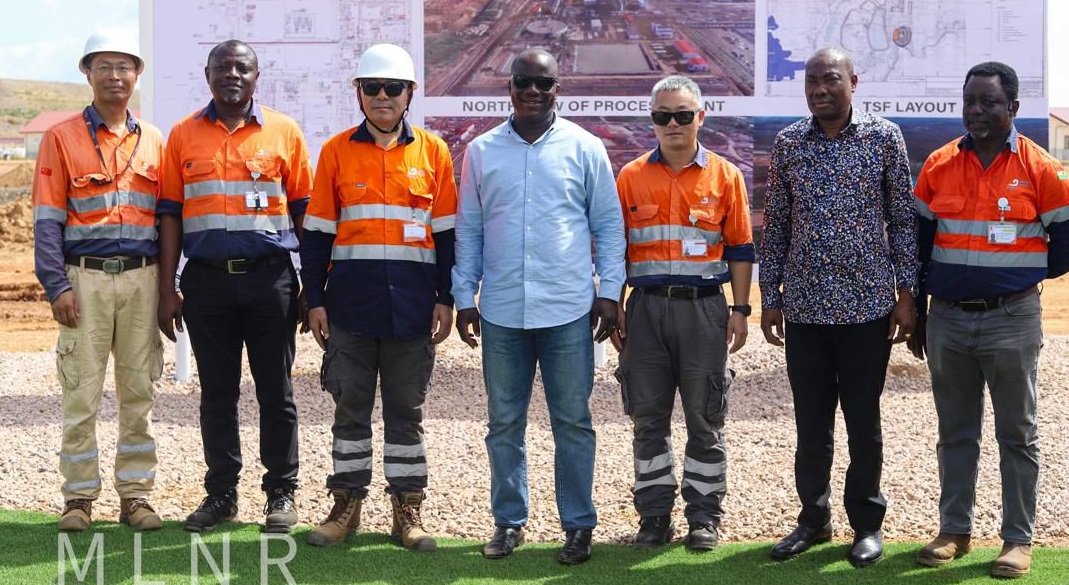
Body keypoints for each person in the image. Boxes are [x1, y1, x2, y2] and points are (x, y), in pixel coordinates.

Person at [452, 48, 626, 565]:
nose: (533, 91)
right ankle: (509, 522)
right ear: (509, 87)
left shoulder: (585, 148)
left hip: (567, 310)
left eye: (543, 83)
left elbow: (608, 226)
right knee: (504, 424)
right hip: (501, 310)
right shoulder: (482, 151)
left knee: (572, 423)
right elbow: (470, 229)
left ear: (557, 89)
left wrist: (610, 292)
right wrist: (464, 295)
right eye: (523, 81)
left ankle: (578, 525)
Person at [909, 61, 1069, 579]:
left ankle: (1017, 539)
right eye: (970, 101)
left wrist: (1013, 275)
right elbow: (919, 248)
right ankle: (954, 531)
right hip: (948, 320)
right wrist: (920, 315)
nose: (976, 111)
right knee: (955, 432)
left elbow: (1064, 247)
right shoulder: (938, 165)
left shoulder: (1042, 169)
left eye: (989, 102)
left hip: (1011, 319)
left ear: (1013, 108)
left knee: (1017, 433)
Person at [758, 47, 917, 567]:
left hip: (867, 309)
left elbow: (902, 219)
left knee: (863, 423)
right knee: (811, 425)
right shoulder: (789, 144)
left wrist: (907, 294)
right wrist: (770, 295)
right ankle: (813, 519)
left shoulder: (883, 138)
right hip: (804, 309)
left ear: (854, 81)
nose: (819, 89)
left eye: (830, 79)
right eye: (811, 81)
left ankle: (866, 524)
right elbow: (777, 224)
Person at [300, 43, 457, 552]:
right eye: (373, 87)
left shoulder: (433, 152)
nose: (382, 96)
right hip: (351, 309)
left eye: (393, 88)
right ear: (359, 94)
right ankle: (345, 506)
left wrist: (447, 297)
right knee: (350, 412)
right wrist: (314, 299)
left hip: (412, 309)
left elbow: (447, 234)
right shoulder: (336, 152)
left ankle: (407, 510)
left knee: (406, 415)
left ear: (410, 94)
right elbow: (317, 234)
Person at [157, 39, 313, 534]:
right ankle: (222, 494)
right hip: (206, 285)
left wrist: (312, 285)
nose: (232, 75)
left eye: (242, 67)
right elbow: (170, 216)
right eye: (222, 67)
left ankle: (281, 491)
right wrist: (167, 288)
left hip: (271, 280)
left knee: (276, 391)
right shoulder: (182, 135)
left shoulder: (284, 132)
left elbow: (305, 212)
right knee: (217, 394)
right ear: (207, 75)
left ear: (256, 76)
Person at [612, 75, 754, 551]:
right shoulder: (631, 176)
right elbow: (615, 249)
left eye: (682, 115)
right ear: (652, 120)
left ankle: (704, 517)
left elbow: (740, 247)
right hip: (646, 312)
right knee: (647, 420)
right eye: (662, 116)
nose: (672, 124)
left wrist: (740, 309)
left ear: (700, 117)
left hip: (704, 311)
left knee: (705, 419)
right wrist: (617, 306)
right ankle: (654, 516)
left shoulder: (726, 176)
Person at [32, 29, 165, 533]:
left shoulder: (153, 140)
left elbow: (166, 219)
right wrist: (57, 286)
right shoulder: (60, 138)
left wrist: (167, 288)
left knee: (139, 393)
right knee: (80, 393)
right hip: (83, 281)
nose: (115, 76)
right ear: (87, 73)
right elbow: (47, 220)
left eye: (124, 66)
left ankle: (136, 495)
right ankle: (79, 498)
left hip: (142, 281)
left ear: (137, 75)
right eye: (104, 66)